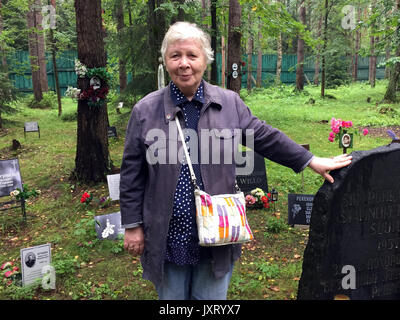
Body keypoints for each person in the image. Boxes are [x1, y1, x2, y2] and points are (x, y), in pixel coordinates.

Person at [119, 21, 352, 300]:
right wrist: (133, 225)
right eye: (175, 56)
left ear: (205, 59)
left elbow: (264, 136)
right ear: (166, 61)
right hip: (168, 234)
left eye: (192, 55)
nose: (184, 64)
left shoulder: (229, 103)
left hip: (218, 233)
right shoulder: (146, 110)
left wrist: (309, 159)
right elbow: (132, 173)